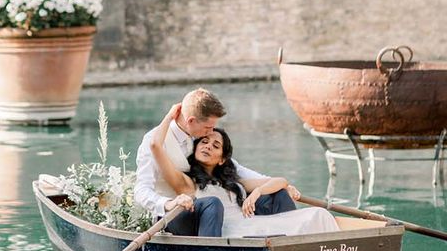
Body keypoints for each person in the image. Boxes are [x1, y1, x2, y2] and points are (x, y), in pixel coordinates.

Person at [150, 104, 340, 238]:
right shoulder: (186, 182)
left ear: (223, 159)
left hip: (251, 221)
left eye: (216, 145)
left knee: (317, 214)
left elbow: (280, 181)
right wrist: (170, 117)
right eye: (204, 142)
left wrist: (257, 192)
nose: (208, 146)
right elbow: (155, 146)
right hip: (231, 231)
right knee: (311, 218)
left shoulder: (233, 182)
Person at [135, 88, 287, 236]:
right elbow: (141, 190)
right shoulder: (154, 140)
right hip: (173, 215)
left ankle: (293, 248)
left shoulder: (201, 137)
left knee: (277, 195)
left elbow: (236, 169)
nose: (211, 132)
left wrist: (269, 183)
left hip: (215, 209)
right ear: (191, 121)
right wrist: (167, 203)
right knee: (212, 204)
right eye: (208, 127)